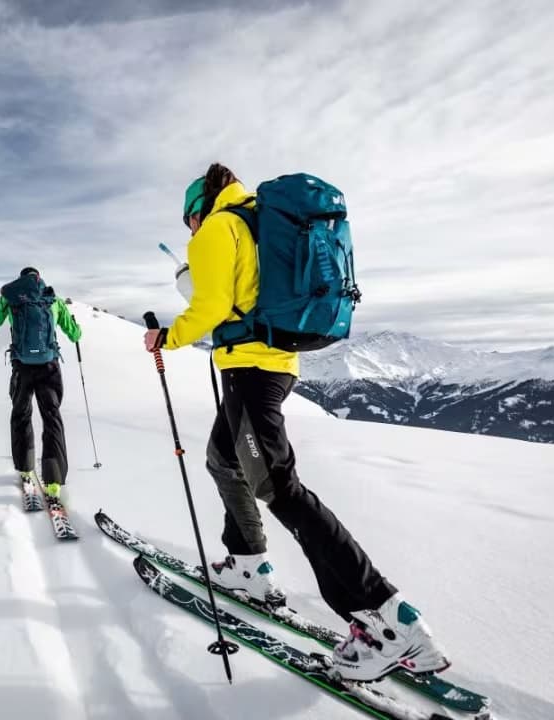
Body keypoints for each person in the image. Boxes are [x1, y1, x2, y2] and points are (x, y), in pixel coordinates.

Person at [142, 163, 450, 682]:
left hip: (251, 369)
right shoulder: (260, 221)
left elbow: (212, 305)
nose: (189, 232)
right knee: (224, 460)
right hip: (277, 366)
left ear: (198, 209)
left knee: (281, 489)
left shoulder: (218, 228)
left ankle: (389, 623)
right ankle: (247, 565)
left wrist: (166, 338)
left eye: (187, 221)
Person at [0, 267, 82, 500]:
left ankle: (25, 467)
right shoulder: (52, 299)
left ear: (21, 279)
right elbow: (74, 334)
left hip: (22, 367)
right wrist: (76, 329)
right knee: (51, 417)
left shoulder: (10, 299)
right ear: (39, 278)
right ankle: (54, 481)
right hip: (49, 367)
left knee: (21, 413)